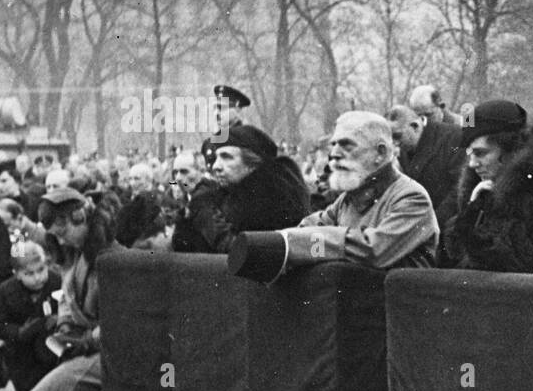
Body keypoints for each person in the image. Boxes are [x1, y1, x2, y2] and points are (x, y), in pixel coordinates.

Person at [9, 187, 122, 391]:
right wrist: (64, 329)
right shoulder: (74, 257)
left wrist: (82, 341)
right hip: (86, 343)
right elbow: (69, 305)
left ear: (80, 218)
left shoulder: (112, 258)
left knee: (60, 387)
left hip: (113, 347)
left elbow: (120, 320)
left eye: (62, 231)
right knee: (53, 382)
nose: (59, 239)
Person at [440, 101, 533, 275]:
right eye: (470, 154)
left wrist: (493, 212)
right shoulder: (477, 187)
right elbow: (448, 259)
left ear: (511, 150)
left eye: (481, 153)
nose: (472, 164)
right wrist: (471, 212)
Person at [289, 111, 439, 270]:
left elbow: (373, 251)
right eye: (334, 145)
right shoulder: (349, 197)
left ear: (380, 154)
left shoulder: (411, 198)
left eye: (346, 145)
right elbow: (312, 227)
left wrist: (302, 244)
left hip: (397, 294)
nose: (334, 154)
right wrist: (283, 243)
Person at [185, 124, 309, 254]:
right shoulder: (226, 196)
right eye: (216, 158)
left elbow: (241, 252)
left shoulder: (270, 200)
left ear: (252, 163)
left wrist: (204, 209)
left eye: (226, 157)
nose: (216, 166)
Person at [0, 240, 62, 391]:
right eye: (29, 273)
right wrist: (19, 331)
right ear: (17, 274)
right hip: (23, 352)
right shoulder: (6, 290)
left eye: (41, 270)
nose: (37, 277)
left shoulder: (56, 281)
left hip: (52, 347)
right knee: (29, 387)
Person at [390, 103, 464, 228]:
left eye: (397, 136)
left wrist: (432, 223)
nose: (394, 143)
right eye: (391, 138)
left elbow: (459, 188)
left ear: (415, 126)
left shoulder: (453, 136)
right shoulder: (405, 147)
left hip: (447, 226)